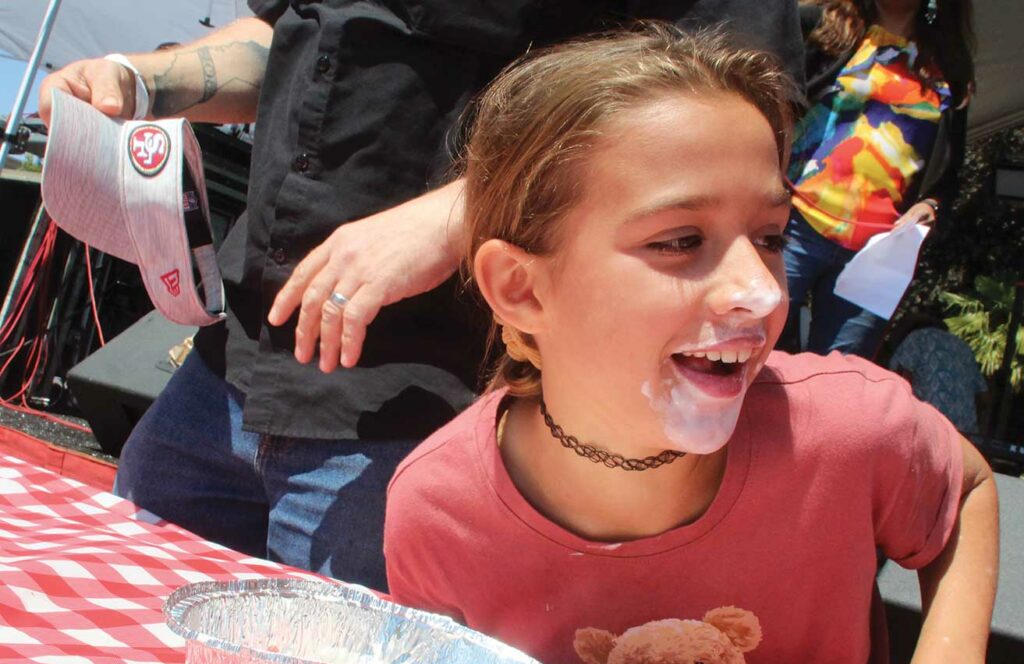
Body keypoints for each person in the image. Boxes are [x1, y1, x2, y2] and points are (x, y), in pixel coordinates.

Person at [383, 25, 999, 664]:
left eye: (771, 237)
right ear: (521, 289)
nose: (761, 291)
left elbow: (966, 487)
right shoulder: (437, 513)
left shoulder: (848, 427)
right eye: (680, 241)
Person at [38, 2, 803, 592]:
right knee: (124, 662)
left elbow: (726, 104)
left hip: (420, 408)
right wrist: (143, 80)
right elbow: (293, 39)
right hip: (228, 369)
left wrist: (457, 215)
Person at [780, 0, 975, 357]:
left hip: (878, 253)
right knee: (754, 350)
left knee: (844, 377)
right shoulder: (823, 26)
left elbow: (949, 173)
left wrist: (931, 206)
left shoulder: (950, 68)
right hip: (794, 226)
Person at [888, 314, 988, 433]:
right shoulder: (964, 347)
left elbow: (900, 383)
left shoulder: (917, 337)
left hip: (930, 427)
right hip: (964, 432)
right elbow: (984, 397)